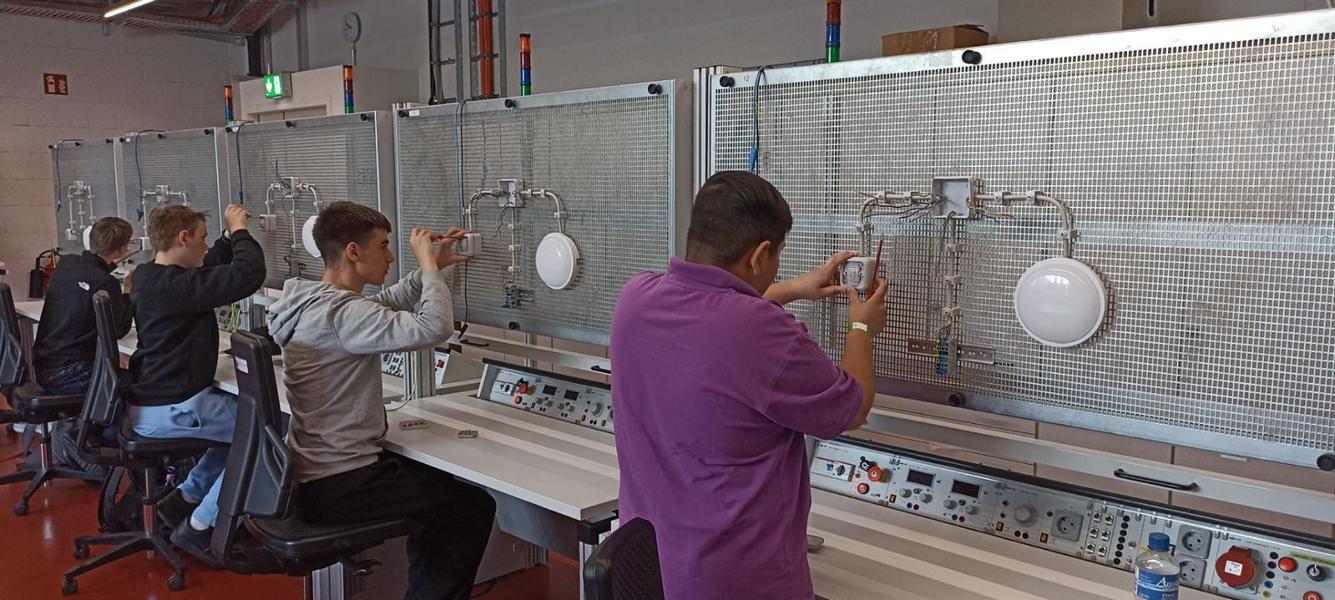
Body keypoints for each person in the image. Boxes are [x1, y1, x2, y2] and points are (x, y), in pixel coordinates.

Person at [610, 171, 887, 600]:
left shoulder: (635, 297)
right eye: (777, 257)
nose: (775, 268)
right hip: (739, 581)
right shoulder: (763, 331)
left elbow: (712, 313)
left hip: (652, 568)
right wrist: (861, 329)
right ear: (759, 255)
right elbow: (852, 409)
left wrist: (792, 288)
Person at [267, 202, 495, 600]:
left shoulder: (312, 300)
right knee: (471, 507)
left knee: (441, 489)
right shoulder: (343, 314)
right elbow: (434, 327)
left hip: (313, 476)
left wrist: (435, 267)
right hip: (342, 483)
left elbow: (383, 303)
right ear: (354, 252)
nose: (390, 257)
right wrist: (427, 267)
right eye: (384, 246)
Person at [127, 203, 265, 566]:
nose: (206, 245)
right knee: (268, 432)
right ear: (184, 238)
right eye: (202, 238)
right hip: (174, 408)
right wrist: (241, 232)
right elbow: (249, 274)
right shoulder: (177, 287)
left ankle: (184, 499)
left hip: (153, 403)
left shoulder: (149, 275)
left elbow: (205, 269)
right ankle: (202, 525)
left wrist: (225, 239)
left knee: (238, 433)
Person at [32, 217, 136, 395]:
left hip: (46, 366)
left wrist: (113, 260)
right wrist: (128, 292)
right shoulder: (106, 283)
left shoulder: (66, 263)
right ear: (121, 249)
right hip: (70, 373)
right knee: (140, 383)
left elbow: (91, 272)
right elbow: (119, 330)